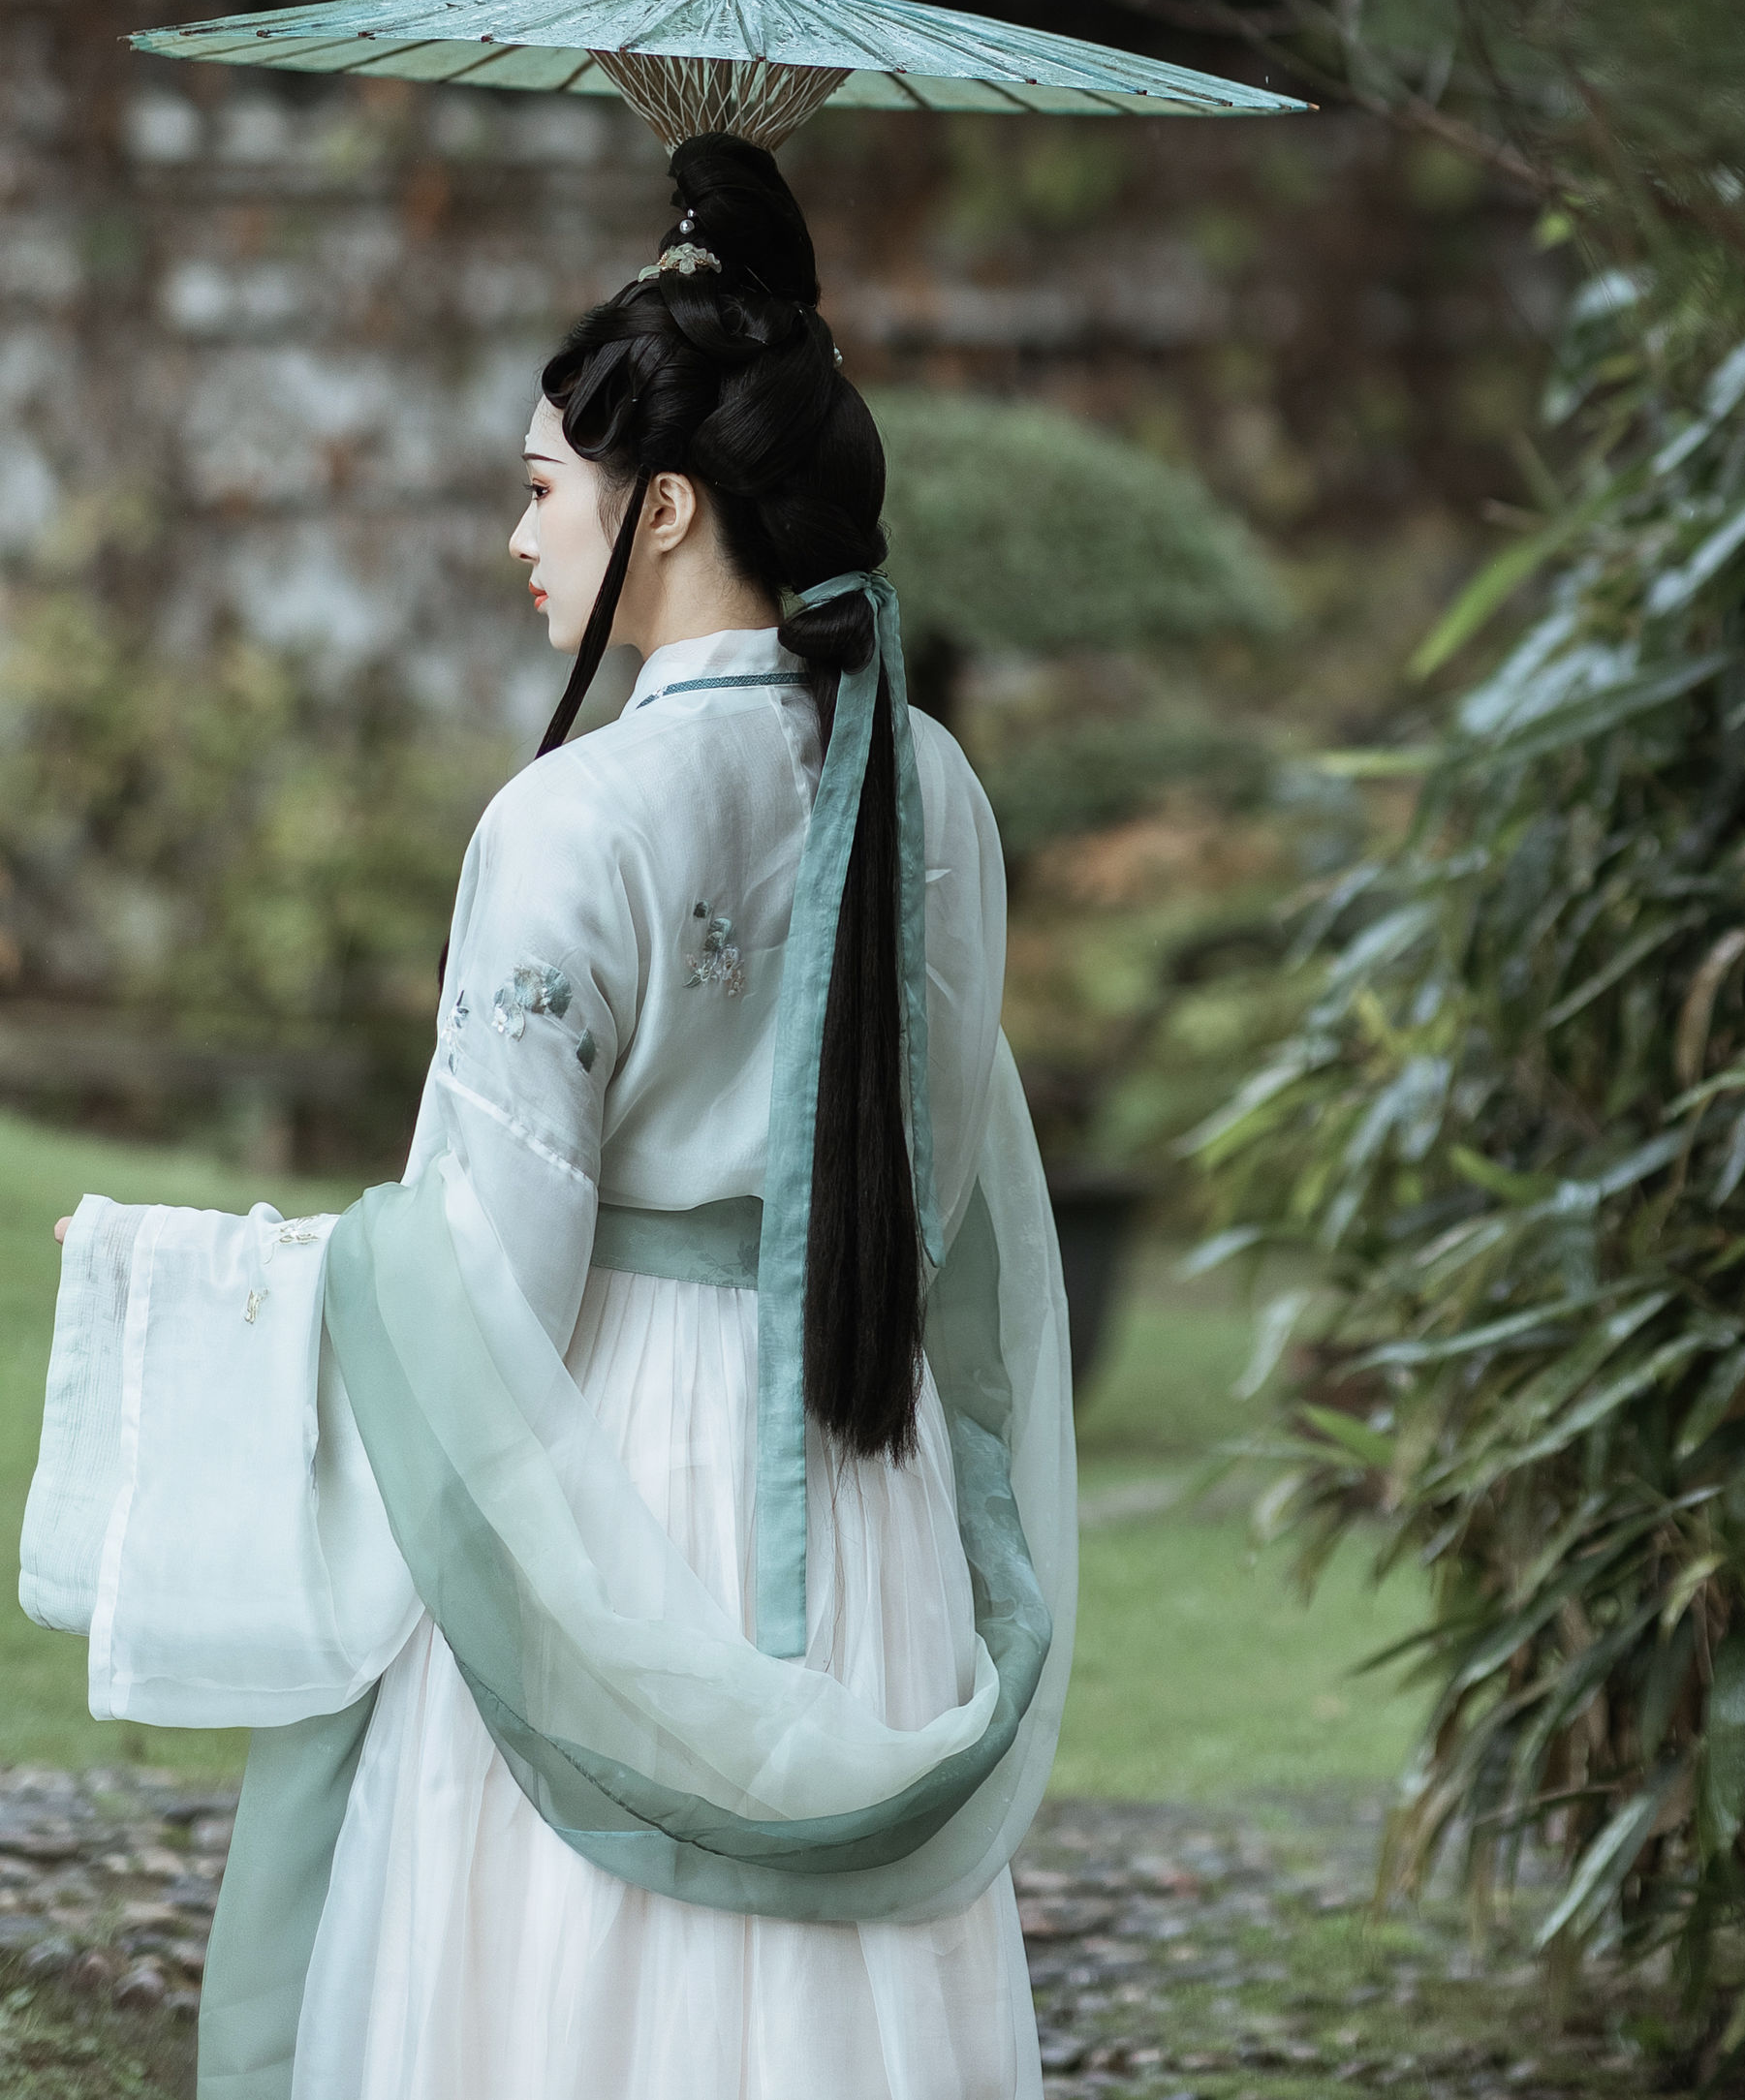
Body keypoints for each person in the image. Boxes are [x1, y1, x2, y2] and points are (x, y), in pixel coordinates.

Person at [19, 136, 1074, 2100]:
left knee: (575, 1987)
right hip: (862, 1454)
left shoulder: (570, 819)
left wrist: (231, 1280)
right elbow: (941, 1184)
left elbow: (487, 1287)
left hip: (611, 1470)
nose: (516, 538)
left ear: (661, 507)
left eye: (539, 490)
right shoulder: (936, 784)